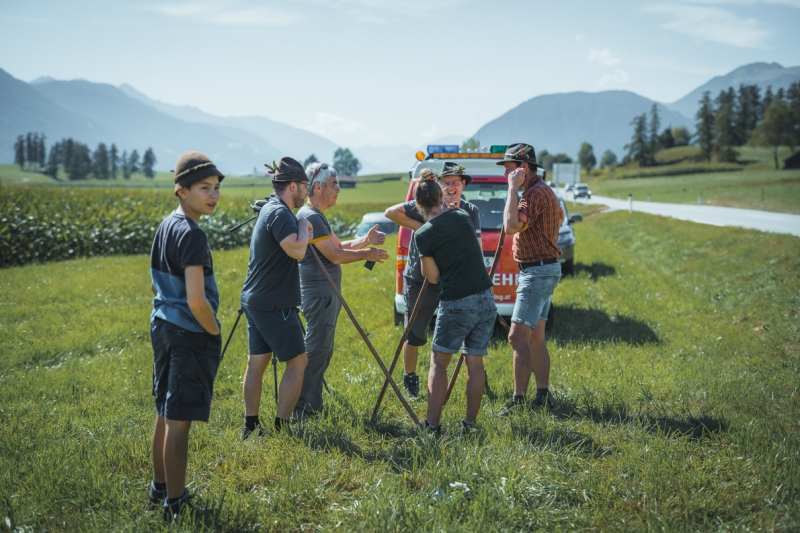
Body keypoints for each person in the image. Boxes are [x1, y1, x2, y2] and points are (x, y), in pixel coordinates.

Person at [148, 151, 225, 521]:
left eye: (215, 188)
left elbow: (153, 282)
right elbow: (197, 300)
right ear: (181, 191)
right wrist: (213, 332)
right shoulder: (193, 235)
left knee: (165, 410)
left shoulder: (168, 225)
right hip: (188, 333)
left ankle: (159, 488)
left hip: (162, 325)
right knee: (179, 423)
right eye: (203, 188)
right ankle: (175, 505)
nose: (213, 195)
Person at [294, 162, 389, 419]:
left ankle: (311, 405)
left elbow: (337, 244)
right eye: (334, 184)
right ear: (317, 186)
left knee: (323, 349)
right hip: (320, 294)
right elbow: (335, 256)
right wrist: (368, 253)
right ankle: (302, 409)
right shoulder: (310, 215)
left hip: (326, 294)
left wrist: (365, 241)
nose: (338, 189)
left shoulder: (315, 215)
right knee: (317, 350)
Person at [384, 162, 481, 399]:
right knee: (414, 333)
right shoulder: (425, 204)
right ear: (439, 186)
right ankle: (410, 378)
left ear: (463, 184)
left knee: (467, 331)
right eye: (445, 182)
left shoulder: (470, 211)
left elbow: (476, 248)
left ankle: (477, 376)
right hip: (420, 279)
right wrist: (426, 227)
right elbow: (390, 212)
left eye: (455, 182)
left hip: (453, 280)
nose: (450, 187)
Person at [413, 172, 496, 434]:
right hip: (486, 299)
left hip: (457, 302)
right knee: (475, 363)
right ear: (440, 196)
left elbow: (433, 276)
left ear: (419, 205)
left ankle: (433, 426)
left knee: (439, 363)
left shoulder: (423, 235)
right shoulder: (462, 216)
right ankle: (469, 424)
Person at [240, 157, 313, 438]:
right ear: (292, 185)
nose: (307, 192)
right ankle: (282, 429)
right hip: (274, 302)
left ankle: (251, 427)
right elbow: (297, 251)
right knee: (298, 361)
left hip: (255, 297)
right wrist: (304, 223)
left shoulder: (271, 209)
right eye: (305, 186)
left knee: (256, 362)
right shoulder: (280, 213)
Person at [499, 143, 563, 414]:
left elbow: (511, 226)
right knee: (536, 337)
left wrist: (513, 190)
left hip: (536, 272)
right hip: (544, 269)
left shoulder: (532, 195)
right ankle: (543, 395)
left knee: (517, 338)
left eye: (509, 169)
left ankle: (519, 401)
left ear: (523, 168)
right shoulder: (542, 191)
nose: (506, 175)